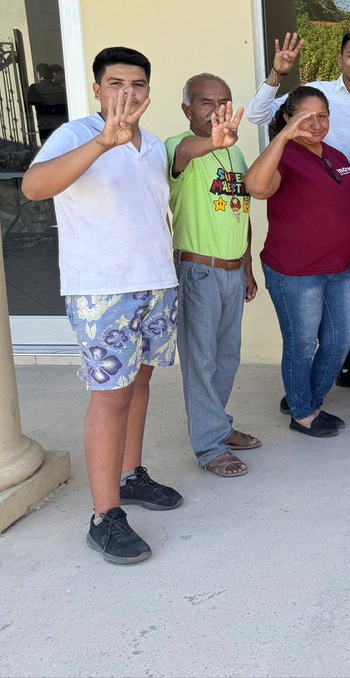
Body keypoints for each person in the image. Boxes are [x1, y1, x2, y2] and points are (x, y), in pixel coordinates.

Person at [23, 47, 181, 565]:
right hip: (102, 290)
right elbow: (33, 187)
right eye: (116, 83)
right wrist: (101, 143)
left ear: (148, 91)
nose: (127, 94)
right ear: (97, 89)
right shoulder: (74, 136)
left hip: (154, 282)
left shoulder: (153, 144)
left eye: (137, 84)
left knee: (139, 384)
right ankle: (104, 517)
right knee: (110, 396)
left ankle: (131, 476)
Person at [246, 30, 350, 394]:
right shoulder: (314, 97)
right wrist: (277, 76)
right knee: (306, 323)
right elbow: (258, 116)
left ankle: (346, 366)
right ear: (341, 59)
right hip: (306, 207)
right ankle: (302, 390)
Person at [246, 86, 350, 439]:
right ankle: (304, 413)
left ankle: (301, 397)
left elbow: (343, 213)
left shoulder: (336, 155)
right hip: (295, 272)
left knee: (341, 340)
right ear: (287, 118)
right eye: (305, 117)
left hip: (339, 268)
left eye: (322, 116)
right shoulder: (282, 156)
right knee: (302, 344)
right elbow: (256, 187)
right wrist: (283, 137)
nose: (316, 124)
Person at [166, 73, 259, 477]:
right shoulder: (177, 146)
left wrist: (248, 265)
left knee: (226, 356)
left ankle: (217, 426)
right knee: (200, 361)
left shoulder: (235, 155)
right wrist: (212, 142)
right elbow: (186, 151)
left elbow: (243, 211)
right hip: (198, 270)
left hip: (233, 270)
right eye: (206, 102)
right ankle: (209, 446)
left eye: (224, 100)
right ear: (187, 109)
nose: (217, 109)